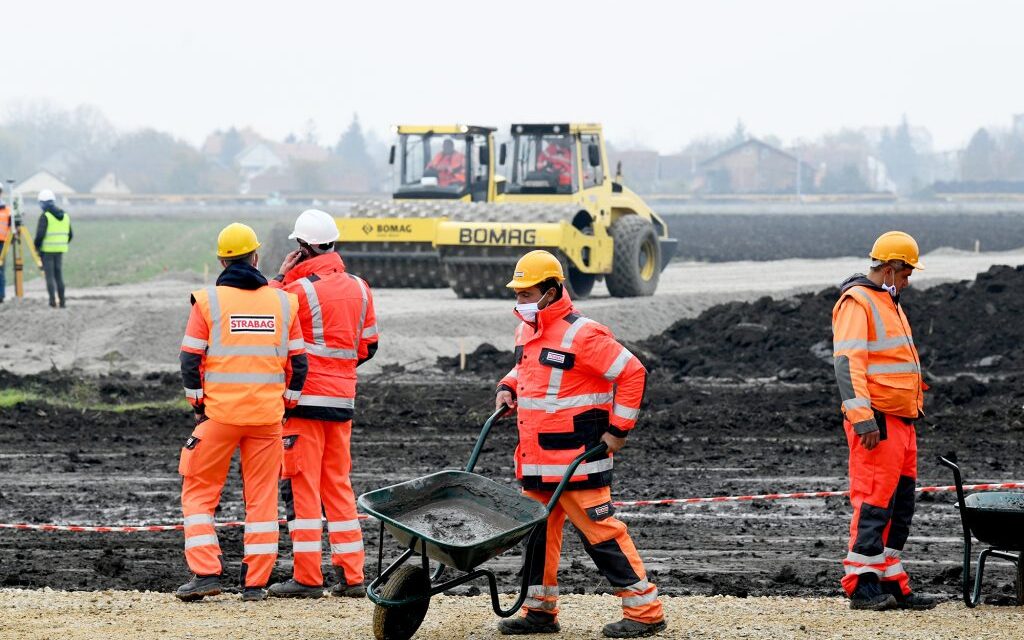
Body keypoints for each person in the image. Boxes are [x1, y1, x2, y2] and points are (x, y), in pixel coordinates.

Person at [494, 250, 666, 638]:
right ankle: (539, 612)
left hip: (577, 459)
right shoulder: (527, 329)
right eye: (517, 292)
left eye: (527, 292)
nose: (520, 300)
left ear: (552, 291)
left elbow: (632, 372)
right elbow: (527, 369)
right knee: (536, 537)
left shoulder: (584, 333)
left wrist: (618, 431)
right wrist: (508, 386)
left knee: (602, 535)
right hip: (536, 461)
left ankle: (645, 612)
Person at [175, 222, 308, 603]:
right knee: (263, 498)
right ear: (255, 256)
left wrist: (198, 404)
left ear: (221, 260)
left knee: (199, 492)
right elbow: (298, 365)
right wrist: (287, 405)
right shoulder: (283, 302)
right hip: (267, 419)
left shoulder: (208, 301)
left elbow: (189, 359)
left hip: (218, 418)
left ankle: (205, 573)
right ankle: (255, 584)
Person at [264, 209, 379, 599]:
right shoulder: (362, 288)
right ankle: (353, 577)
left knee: (301, 489)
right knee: (339, 488)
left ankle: (308, 578)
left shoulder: (297, 291)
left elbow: (266, 318)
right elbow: (369, 346)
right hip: (342, 402)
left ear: (301, 247)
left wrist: (280, 275)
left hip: (303, 403)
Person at [832, 231, 936, 611]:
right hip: (877, 420)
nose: (908, 280)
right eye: (906, 272)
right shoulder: (858, 302)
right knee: (874, 502)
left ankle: (890, 579)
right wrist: (862, 419)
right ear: (890, 268)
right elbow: (848, 364)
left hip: (903, 419)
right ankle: (861, 583)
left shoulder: (887, 301)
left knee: (899, 505)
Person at [34, 189, 72, 308]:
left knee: (50, 277)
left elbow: (40, 235)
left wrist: (36, 246)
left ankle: (52, 302)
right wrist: (61, 243)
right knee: (59, 276)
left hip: (47, 251)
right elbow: (70, 234)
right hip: (60, 250)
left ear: (42, 203)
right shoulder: (65, 215)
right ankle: (62, 302)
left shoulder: (45, 216)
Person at [0, 187, 9, 303]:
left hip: (2, 244)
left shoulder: (8, 211)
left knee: (0, 270)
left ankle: (1, 295)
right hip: (3, 244)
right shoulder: (8, 210)